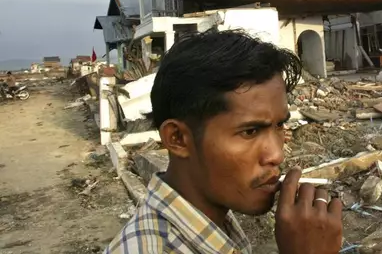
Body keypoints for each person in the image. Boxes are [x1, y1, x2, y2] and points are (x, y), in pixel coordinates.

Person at [104, 29, 343, 254]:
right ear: (177, 139)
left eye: (279, 125)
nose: (276, 155)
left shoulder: (213, 222)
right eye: (250, 131)